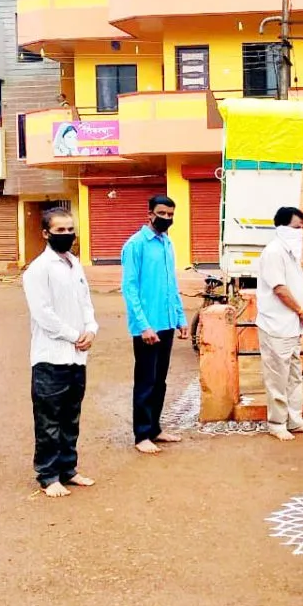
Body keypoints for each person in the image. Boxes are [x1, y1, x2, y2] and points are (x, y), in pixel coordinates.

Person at [21, 208, 98, 497]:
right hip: (50, 358)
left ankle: (68, 469)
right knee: (49, 420)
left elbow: (85, 302)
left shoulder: (74, 264)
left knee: (71, 417)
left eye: (70, 230)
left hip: (77, 357)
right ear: (45, 233)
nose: (67, 235)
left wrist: (91, 328)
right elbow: (43, 314)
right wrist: (73, 335)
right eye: (60, 231)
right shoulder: (38, 270)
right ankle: (48, 475)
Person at [121, 195, 189, 455]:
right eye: (162, 213)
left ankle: (155, 429)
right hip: (147, 327)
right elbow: (130, 288)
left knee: (160, 380)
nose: (167, 219)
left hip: (167, 322)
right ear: (149, 213)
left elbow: (172, 285)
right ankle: (141, 435)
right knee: (146, 380)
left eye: (171, 215)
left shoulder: (167, 243)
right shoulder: (135, 245)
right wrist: (143, 326)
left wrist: (180, 318)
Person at [256, 206, 303, 441]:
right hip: (276, 326)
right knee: (277, 376)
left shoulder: (292, 253)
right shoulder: (273, 252)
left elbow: (299, 284)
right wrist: (301, 311)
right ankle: (277, 423)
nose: (300, 232)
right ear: (281, 227)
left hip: (294, 326)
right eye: (296, 227)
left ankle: (295, 420)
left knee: (293, 375)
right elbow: (280, 289)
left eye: (302, 228)